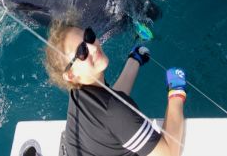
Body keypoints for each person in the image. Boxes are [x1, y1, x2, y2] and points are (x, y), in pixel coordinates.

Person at [44, 17, 186, 156]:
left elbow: (113, 99)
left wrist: (134, 60)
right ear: (70, 75)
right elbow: (169, 153)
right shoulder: (114, 111)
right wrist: (176, 94)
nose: (93, 47)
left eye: (88, 37)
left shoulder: (78, 92)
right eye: (82, 52)